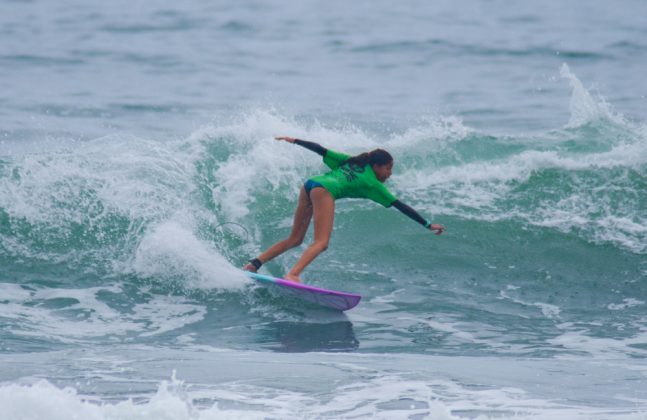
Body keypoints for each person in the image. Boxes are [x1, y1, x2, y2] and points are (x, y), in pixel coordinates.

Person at [243, 136, 444, 282]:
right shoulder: (373, 185)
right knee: (321, 243)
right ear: (376, 166)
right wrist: (427, 224)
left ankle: (254, 264)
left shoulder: (352, 160)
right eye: (388, 168)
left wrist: (295, 140)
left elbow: (321, 149)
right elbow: (401, 206)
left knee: (295, 239)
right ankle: (293, 275)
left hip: (310, 185)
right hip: (324, 191)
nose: (389, 174)